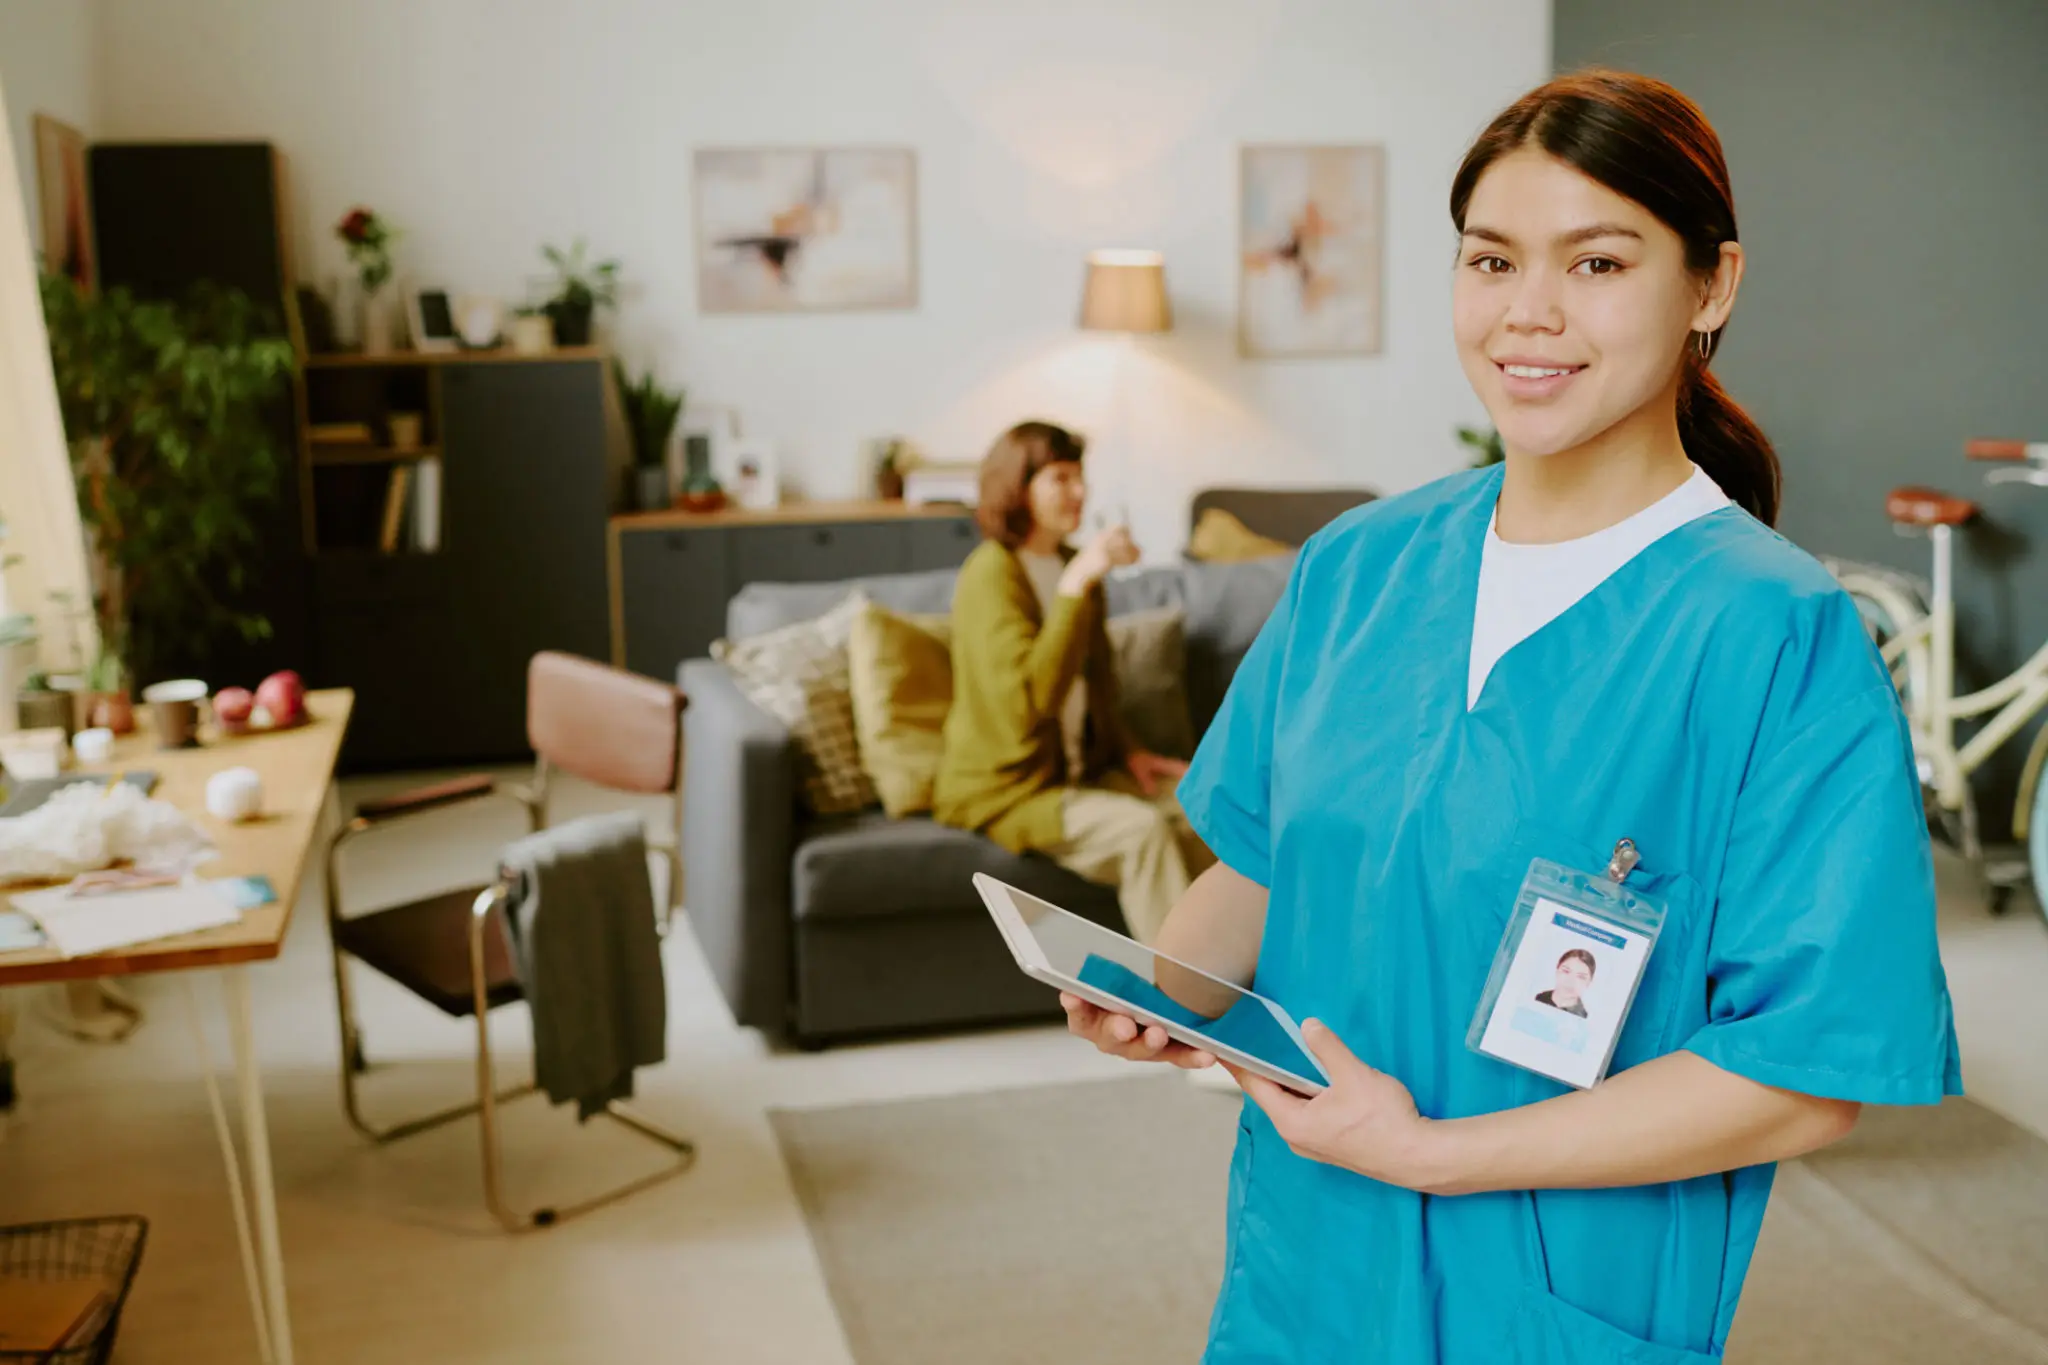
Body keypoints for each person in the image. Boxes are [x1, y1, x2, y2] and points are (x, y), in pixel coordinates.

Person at [1062, 70, 1959, 1362]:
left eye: (1596, 263)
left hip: (1549, 1303)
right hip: (1307, 1265)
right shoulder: (1358, 567)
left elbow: (1801, 1074)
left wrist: (1430, 1154)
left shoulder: (1772, 632)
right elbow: (1265, 868)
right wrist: (1158, 992)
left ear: (1710, 286)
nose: (1527, 312)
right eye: (1491, 260)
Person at [934, 420, 1215, 943]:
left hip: (1084, 770)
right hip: (1014, 790)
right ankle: (1184, 992)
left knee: (1208, 812)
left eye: (1079, 476)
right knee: (1142, 833)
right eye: (1059, 478)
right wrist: (1076, 584)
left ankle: (1245, 973)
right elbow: (1031, 703)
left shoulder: (1070, 564)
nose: (1079, 491)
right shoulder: (992, 573)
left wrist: (1131, 751)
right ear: (1018, 487)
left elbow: (1097, 687)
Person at [1536, 949, 1594, 1017]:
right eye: (1566, 971)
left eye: (1581, 977)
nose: (1571, 981)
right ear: (1557, 970)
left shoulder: (1582, 1018)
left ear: (1588, 982)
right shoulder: (1539, 998)